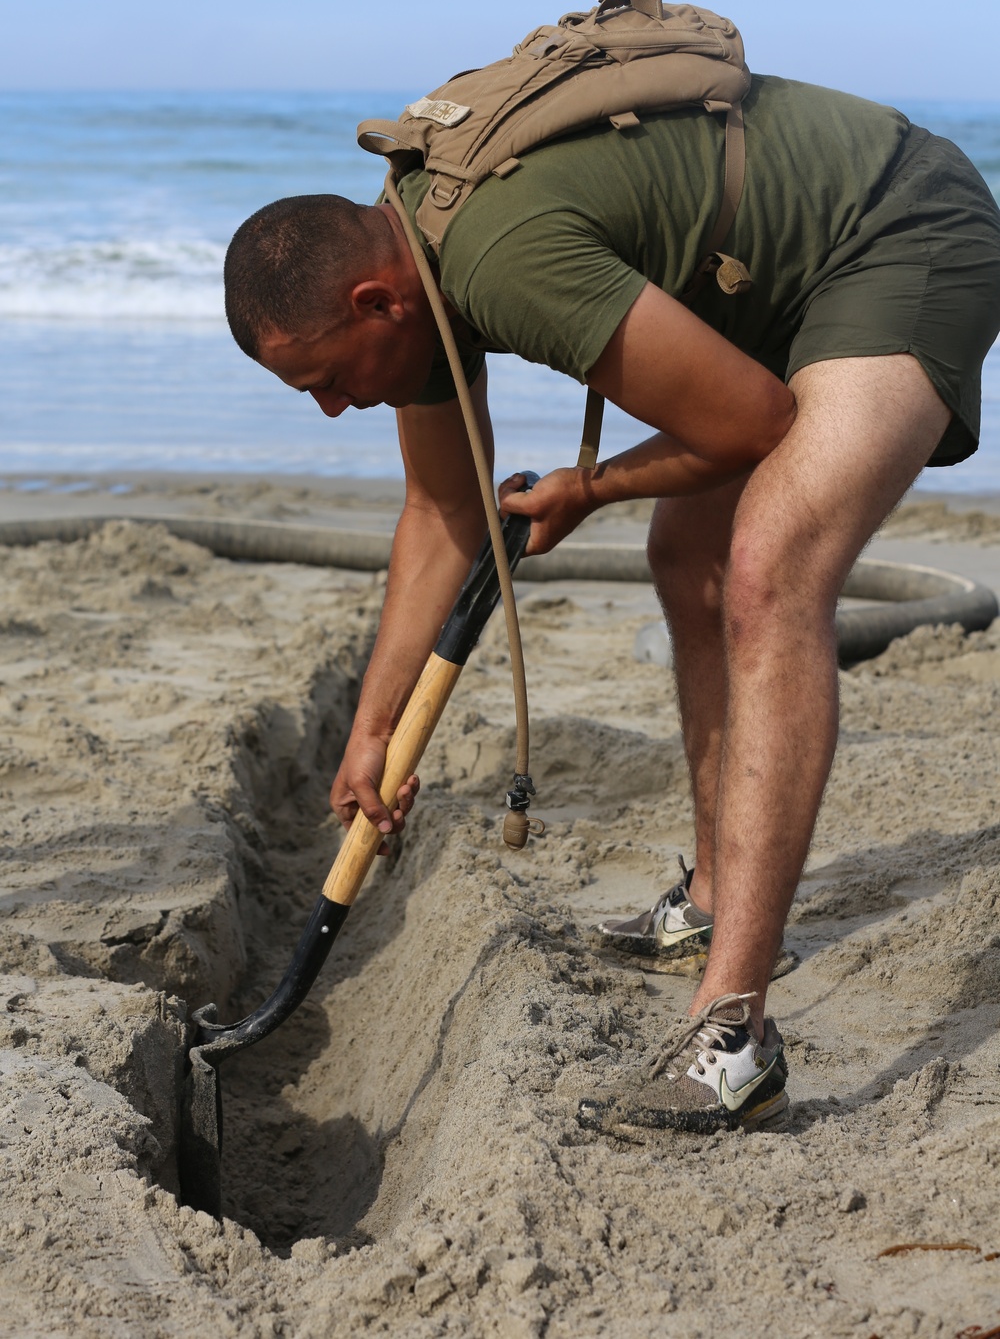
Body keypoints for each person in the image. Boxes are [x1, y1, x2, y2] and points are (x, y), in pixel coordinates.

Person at [223, 71, 1000, 1132]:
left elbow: (751, 423)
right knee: (691, 557)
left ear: (373, 302)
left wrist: (588, 488)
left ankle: (734, 1035)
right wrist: (373, 731)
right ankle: (720, 903)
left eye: (321, 377)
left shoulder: (496, 261)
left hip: (897, 227)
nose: (324, 409)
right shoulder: (421, 281)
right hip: (765, 273)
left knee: (772, 569)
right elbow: (445, 513)